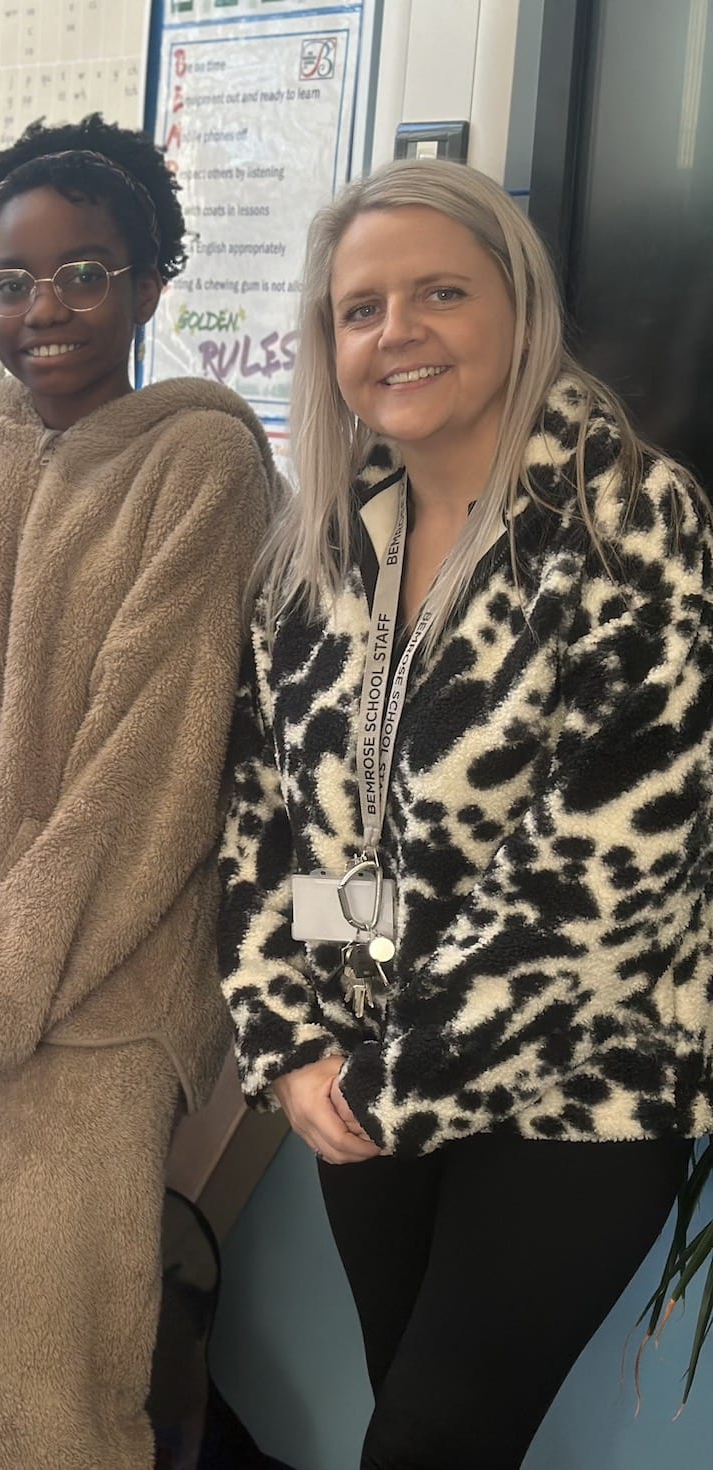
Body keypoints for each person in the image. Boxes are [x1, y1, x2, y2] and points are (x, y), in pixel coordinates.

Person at [218, 158, 713, 1469]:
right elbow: (268, 827)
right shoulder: (321, 550)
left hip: (575, 1088)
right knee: (423, 1425)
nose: (399, 331)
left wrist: (389, 1081)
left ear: (520, 306)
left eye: (440, 292)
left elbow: (606, 874)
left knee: (425, 1442)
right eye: (361, 308)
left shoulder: (630, 520)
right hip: (360, 1081)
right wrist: (292, 1041)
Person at [0, 114, 279, 1468]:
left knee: (41, 1370)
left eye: (85, 273)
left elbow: (147, 781)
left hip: (103, 992)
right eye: (12, 279)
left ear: (150, 285)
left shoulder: (204, 468)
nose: (44, 308)